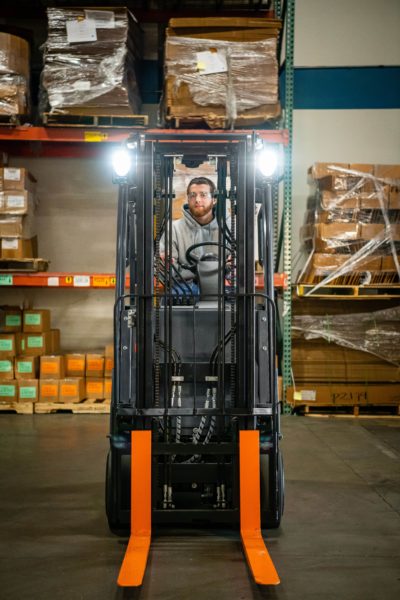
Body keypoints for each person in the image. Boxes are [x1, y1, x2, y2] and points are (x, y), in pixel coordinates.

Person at [160, 177, 230, 284]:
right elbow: (167, 272)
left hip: (220, 284)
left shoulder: (228, 228)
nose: (197, 199)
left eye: (203, 195)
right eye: (192, 195)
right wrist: (166, 265)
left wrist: (232, 265)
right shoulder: (173, 229)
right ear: (188, 199)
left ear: (214, 199)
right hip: (186, 285)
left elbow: (236, 264)